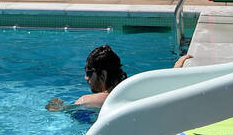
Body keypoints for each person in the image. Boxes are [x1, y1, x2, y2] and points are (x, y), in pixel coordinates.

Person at [47, 47, 192, 114]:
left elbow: (58, 111)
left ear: (102, 74)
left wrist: (54, 104)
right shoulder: (137, 90)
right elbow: (167, 86)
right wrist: (177, 67)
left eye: (88, 72)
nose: (86, 78)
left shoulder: (88, 101)